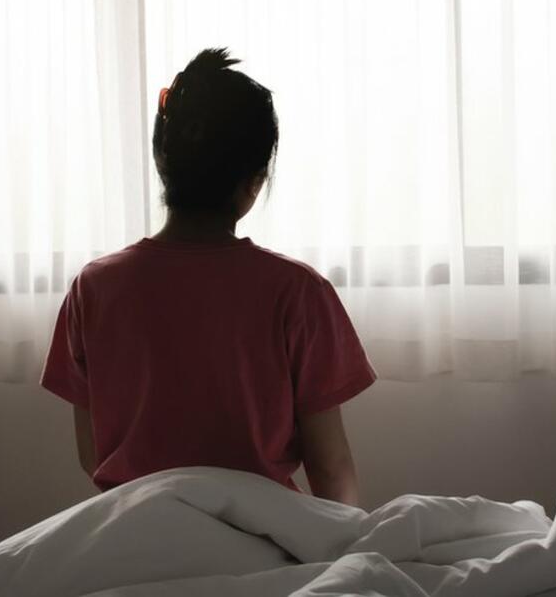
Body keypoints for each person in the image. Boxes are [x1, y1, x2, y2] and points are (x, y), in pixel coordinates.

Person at [40, 48, 376, 506]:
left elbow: (93, 452)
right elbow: (331, 470)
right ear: (254, 182)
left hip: (137, 528)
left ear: (160, 160)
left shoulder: (93, 289)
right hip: (262, 532)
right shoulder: (299, 293)